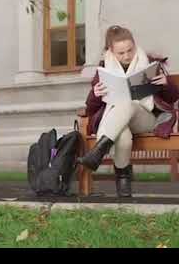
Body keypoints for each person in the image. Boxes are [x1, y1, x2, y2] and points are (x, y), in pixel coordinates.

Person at [77, 25, 179, 197]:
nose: (126, 56)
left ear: (134, 45)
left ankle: (98, 152)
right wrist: (95, 94)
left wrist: (166, 84)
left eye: (130, 50)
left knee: (127, 104)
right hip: (118, 123)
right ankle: (123, 183)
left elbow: (172, 98)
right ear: (111, 51)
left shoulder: (150, 64)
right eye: (121, 53)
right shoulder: (104, 70)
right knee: (122, 134)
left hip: (146, 118)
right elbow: (91, 108)